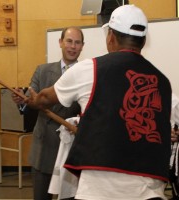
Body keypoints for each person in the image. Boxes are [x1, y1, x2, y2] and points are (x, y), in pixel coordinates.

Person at [26, 5, 172, 200]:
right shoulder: (163, 82)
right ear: (144, 41)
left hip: (98, 191)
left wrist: (34, 99)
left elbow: (44, 99)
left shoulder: (89, 69)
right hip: (148, 192)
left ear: (110, 36)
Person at [12, 26, 84, 200]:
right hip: (43, 150)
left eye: (77, 42)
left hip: (71, 151)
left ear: (82, 46)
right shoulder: (42, 70)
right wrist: (23, 102)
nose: (73, 46)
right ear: (60, 42)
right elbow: (31, 100)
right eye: (69, 41)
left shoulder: (86, 74)